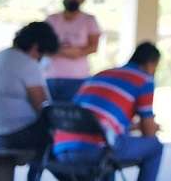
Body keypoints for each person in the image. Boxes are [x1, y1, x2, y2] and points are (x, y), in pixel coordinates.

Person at [52, 42, 164, 181]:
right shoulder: (144, 79)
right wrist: (150, 127)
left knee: (112, 143)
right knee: (155, 146)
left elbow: (95, 119)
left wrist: (133, 126)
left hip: (61, 148)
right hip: (96, 149)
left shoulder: (101, 74)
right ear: (151, 64)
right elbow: (149, 133)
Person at [0, 22, 59, 181]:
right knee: (62, 138)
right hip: (13, 136)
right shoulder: (26, 63)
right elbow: (43, 107)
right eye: (42, 54)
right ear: (36, 47)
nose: (40, 59)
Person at [44, 0, 101, 101]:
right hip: (51, 77)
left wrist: (78, 52)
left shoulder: (89, 20)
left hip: (77, 78)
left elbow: (94, 46)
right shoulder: (52, 19)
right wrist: (67, 52)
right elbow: (42, 46)